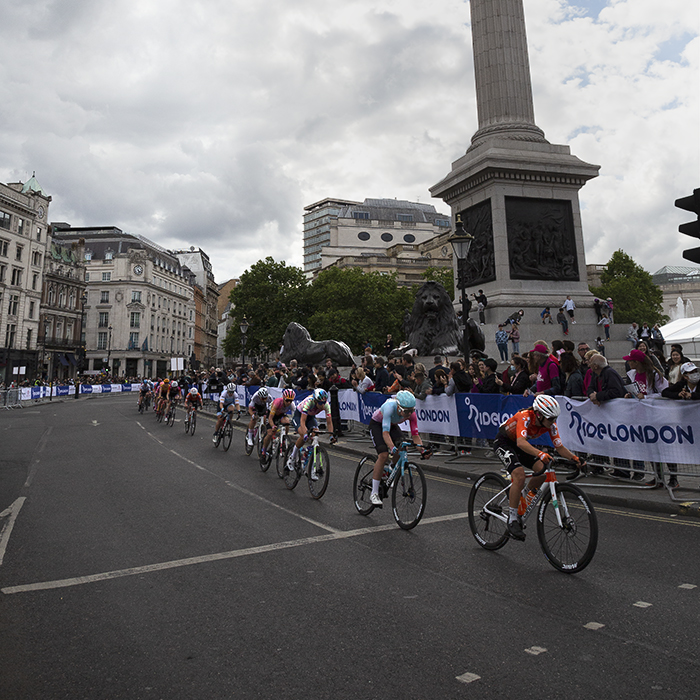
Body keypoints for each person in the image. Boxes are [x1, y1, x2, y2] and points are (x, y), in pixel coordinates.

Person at [494, 395, 585, 541]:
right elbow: (521, 443)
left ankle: (521, 497)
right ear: (539, 414)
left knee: (542, 473)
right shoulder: (525, 416)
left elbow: (559, 447)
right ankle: (512, 519)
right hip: (505, 443)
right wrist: (541, 453)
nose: (554, 422)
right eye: (551, 418)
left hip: (520, 444)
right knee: (519, 475)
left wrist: (575, 459)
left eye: (555, 418)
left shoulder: (550, 424)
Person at [368, 390, 427, 507]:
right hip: (377, 425)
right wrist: (391, 447)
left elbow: (415, 435)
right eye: (406, 411)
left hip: (392, 425)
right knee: (384, 454)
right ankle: (374, 493)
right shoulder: (389, 407)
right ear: (399, 407)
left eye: (412, 411)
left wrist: (423, 450)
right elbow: (385, 433)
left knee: (403, 447)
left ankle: (392, 468)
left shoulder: (411, 414)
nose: (409, 414)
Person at [286, 388, 336, 475]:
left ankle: (311, 466)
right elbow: (302, 421)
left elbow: (329, 422)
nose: (322, 405)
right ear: (316, 401)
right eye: (320, 403)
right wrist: (305, 433)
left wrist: (331, 435)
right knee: (303, 436)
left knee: (316, 434)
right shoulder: (309, 402)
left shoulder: (326, 405)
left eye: (324, 403)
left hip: (311, 417)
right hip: (299, 416)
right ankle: (292, 458)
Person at [262, 388, 296, 455]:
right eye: (287, 400)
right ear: (283, 398)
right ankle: (264, 450)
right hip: (272, 414)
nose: (289, 402)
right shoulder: (277, 402)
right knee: (270, 433)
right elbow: (270, 418)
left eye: (291, 400)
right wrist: (273, 426)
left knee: (287, 421)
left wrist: (297, 427)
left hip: (281, 414)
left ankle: (284, 438)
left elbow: (294, 418)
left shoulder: (292, 405)